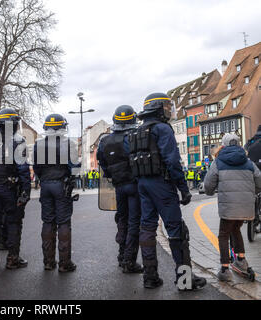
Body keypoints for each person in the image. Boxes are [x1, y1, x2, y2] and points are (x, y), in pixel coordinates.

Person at [129, 93, 206, 290]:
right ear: (158, 108)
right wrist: (183, 189)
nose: (169, 110)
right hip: (162, 185)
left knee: (147, 228)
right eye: (167, 106)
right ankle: (185, 281)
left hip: (143, 184)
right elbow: (172, 161)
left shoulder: (139, 131)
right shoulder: (162, 129)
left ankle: (150, 277)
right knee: (176, 230)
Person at [204, 133, 261, 281]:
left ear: (223, 145)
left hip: (228, 208)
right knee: (236, 229)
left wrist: (210, 191)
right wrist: (251, 192)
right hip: (246, 207)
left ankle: (224, 269)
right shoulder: (248, 162)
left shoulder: (218, 161)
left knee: (223, 234)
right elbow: (259, 182)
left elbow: (208, 185)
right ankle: (241, 260)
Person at [0, 108, 31, 271]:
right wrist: (26, 192)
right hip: (8, 188)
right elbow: (23, 169)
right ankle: (12, 259)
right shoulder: (17, 141)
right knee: (13, 222)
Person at [97, 105, 144, 273]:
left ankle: (121, 255)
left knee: (122, 219)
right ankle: (129, 261)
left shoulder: (105, 141)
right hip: (134, 184)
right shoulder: (135, 137)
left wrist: (112, 174)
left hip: (118, 185)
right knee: (134, 222)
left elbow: (102, 162)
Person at [33, 114, 80, 272]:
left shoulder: (38, 144)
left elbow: (36, 167)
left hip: (45, 185)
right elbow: (75, 167)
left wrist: (44, 178)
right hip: (61, 185)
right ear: (62, 127)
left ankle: (48, 262)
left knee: (48, 222)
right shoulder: (69, 144)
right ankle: (64, 263)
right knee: (63, 223)